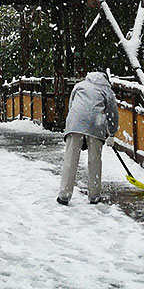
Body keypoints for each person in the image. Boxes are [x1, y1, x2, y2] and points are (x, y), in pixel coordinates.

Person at [57, 71, 119, 206]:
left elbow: (71, 105)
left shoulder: (80, 85)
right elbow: (112, 113)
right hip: (96, 124)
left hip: (75, 122)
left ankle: (64, 195)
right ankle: (94, 195)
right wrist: (112, 133)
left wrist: (76, 124)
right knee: (94, 160)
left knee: (70, 158)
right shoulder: (106, 90)